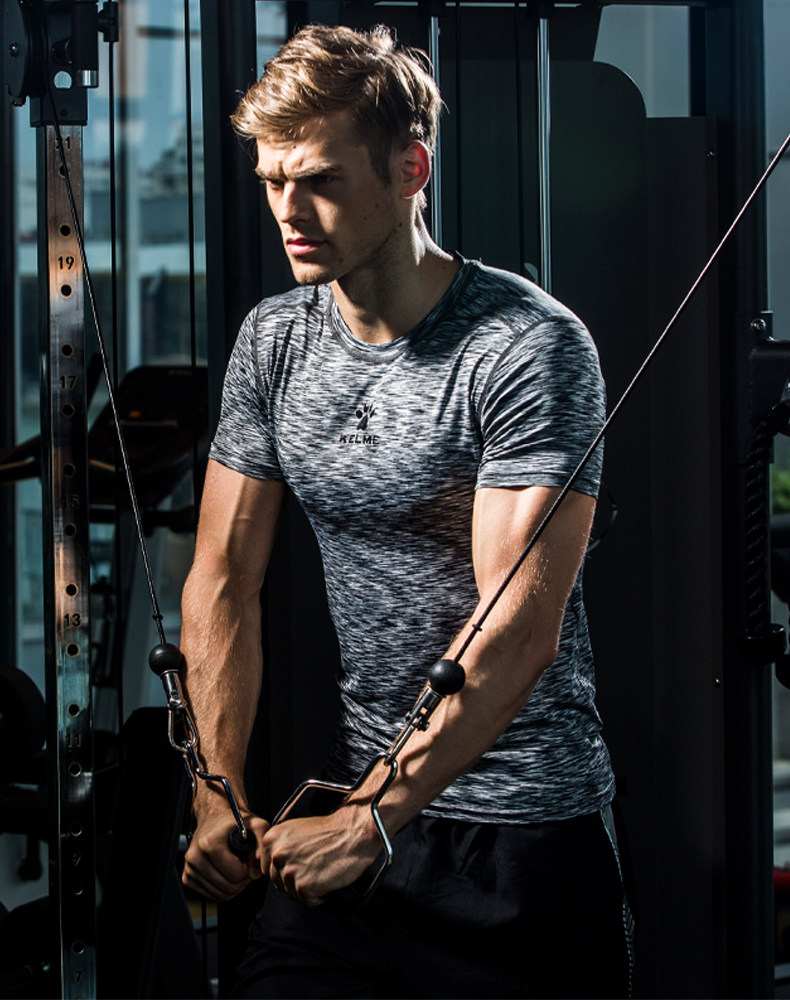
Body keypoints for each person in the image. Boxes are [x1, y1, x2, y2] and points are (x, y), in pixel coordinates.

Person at [180, 22, 632, 999]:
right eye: (271, 181)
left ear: (409, 169)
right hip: (361, 830)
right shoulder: (274, 342)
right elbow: (221, 580)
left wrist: (372, 817)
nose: (288, 210)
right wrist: (217, 792)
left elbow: (517, 626)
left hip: (520, 844)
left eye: (320, 180)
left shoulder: (523, 347)